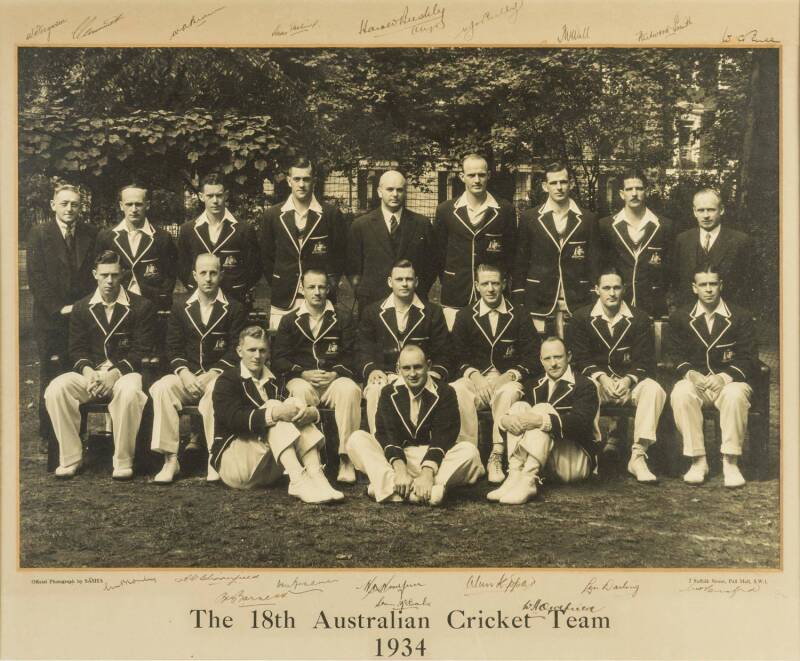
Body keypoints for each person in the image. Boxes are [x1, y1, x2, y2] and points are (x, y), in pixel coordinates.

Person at [44, 251, 155, 480]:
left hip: (124, 374)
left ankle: (123, 460)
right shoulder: (83, 307)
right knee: (56, 389)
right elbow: (77, 349)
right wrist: (89, 372)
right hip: (91, 375)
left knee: (130, 392)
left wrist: (113, 375)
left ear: (122, 274)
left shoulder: (141, 306)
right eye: (104, 275)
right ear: (95, 274)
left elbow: (141, 350)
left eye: (115, 274)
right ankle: (70, 458)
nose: (110, 281)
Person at [209, 325, 344, 503]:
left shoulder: (274, 381)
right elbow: (234, 419)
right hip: (236, 465)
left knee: (291, 405)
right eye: (251, 350)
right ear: (239, 351)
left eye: (262, 350)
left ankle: (316, 475)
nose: (257, 356)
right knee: (275, 407)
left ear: (268, 353)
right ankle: (297, 480)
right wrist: (274, 413)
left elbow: (290, 412)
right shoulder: (227, 380)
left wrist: (310, 412)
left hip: (267, 468)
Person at [148, 253, 247, 484]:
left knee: (216, 391)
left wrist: (213, 373)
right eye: (203, 273)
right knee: (162, 387)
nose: (209, 278)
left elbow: (236, 350)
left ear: (221, 274)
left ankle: (215, 457)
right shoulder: (181, 306)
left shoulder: (234, 308)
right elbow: (173, 348)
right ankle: (170, 459)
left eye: (214, 273)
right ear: (194, 275)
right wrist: (184, 373)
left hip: (218, 377)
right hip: (187, 375)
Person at [348, 344, 485, 505]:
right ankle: (420, 492)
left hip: (434, 461)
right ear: (398, 369)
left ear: (429, 365)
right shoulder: (387, 392)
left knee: (469, 452)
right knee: (357, 439)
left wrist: (427, 473)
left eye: (418, 367)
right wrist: (400, 471)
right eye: (406, 368)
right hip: (400, 460)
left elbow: (444, 437)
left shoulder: (445, 392)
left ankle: (388, 488)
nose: (412, 374)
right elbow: (387, 435)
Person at [567, 267, 666, 483]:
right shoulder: (581, 318)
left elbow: (644, 360)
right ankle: (590, 453)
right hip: (598, 383)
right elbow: (580, 359)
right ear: (596, 290)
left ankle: (638, 456)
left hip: (627, 382)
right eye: (606, 288)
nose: (612, 293)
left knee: (654, 389)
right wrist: (602, 378)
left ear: (624, 289)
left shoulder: (639, 318)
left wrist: (628, 380)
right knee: (585, 388)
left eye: (616, 288)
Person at [450, 263, 542, 483]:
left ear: (503, 284)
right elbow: (456, 356)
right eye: (485, 284)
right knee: (456, 390)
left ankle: (497, 454)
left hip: (508, 380)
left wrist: (509, 376)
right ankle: (468, 453)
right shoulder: (464, 316)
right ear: (476, 286)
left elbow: (532, 357)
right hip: (475, 380)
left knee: (507, 393)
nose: (490, 289)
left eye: (494, 283)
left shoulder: (519, 314)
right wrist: (475, 376)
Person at [667, 264, 756, 488]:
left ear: (721, 286)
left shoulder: (740, 316)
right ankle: (698, 460)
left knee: (735, 395)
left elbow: (748, 357)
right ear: (694, 288)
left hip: (728, 383)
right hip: (697, 383)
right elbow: (675, 354)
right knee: (681, 393)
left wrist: (724, 377)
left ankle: (730, 462)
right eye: (703, 284)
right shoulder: (680, 317)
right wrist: (690, 373)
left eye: (713, 284)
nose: (708, 289)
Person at [26, 183, 98, 455]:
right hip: (51, 319)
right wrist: (59, 309)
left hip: (81, 317)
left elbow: (94, 274)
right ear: (53, 205)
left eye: (75, 204)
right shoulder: (39, 234)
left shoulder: (90, 234)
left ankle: (79, 431)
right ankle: (49, 434)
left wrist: (80, 309)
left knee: (79, 370)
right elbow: (37, 279)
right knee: (51, 372)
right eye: (64, 203)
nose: (70, 209)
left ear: (81, 207)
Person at [272, 268, 362, 483]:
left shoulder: (342, 317)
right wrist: (302, 373)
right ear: (302, 289)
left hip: (333, 381)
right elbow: (279, 360)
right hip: (304, 381)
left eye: (322, 287)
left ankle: (346, 458)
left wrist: (335, 374)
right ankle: (310, 458)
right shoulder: (289, 320)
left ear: (328, 289)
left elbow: (353, 356)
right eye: (311, 287)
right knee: (299, 391)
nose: (317, 292)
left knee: (349, 389)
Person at [488, 336, 600, 505]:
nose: (553, 363)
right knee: (519, 407)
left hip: (573, 460)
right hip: (546, 462)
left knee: (542, 408)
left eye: (558, 357)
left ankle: (528, 480)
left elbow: (581, 424)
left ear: (569, 356)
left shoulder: (585, 385)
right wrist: (506, 421)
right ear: (541, 360)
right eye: (547, 358)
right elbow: (518, 420)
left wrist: (541, 420)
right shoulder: (534, 385)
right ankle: (514, 475)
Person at [356, 259, 450, 433]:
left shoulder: (432, 312)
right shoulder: (373, 311)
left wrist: (433, 373)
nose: (404, 284)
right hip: (385, 375)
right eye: (399, 279)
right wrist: (372, 370)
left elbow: (444, 352)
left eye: (409, 279)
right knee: (376, 389)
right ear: (390, 282)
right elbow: (363, 349)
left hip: (419, 376)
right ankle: (381, 445)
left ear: (416, 282)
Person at [513, 161, 600, 335]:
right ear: (545, 186)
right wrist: (518, 295)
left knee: (575, 349)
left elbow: (594, 263)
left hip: (577, 298)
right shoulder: (529, 218)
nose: (559, 187)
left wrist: (594, 294)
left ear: (571, 184)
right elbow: (520, 261)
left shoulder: (588, 219)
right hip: (539, 298)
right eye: (553, 183)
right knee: (542, 351)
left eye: (563, 182)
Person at [260, 157, 347, 329]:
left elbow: (340, 255)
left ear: (313, 181)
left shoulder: (330, 214)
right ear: (289, 181)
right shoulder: (272, 215)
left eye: (306, 179)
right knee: (282, 348)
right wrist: (280, 280)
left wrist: (329, 282)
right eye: (297, 179)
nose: (301, 184)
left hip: (319, 295)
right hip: (284, 297)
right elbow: (266, 256)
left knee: (318, 347)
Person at [432, 154, 517, 329]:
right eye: (471, 175)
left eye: (481, 174)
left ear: (489, 176)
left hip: (491, 294)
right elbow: (439, 254)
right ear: (462, 177)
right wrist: (451, 278)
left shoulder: (504, 210)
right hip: (456, 292)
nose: (477, 180)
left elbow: (510, 253)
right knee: (455, 344)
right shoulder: (445, 210)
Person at [347, 170, 436, 311]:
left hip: (413, 300)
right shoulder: (361, 225)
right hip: (372, 302)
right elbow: (353, 267)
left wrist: (418, 288)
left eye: (400, 190)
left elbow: (431, 265)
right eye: (390, 189)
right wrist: (363, 292)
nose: (395, 194)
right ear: (379, 192)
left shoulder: (422, 224)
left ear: (405, 192)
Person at [177, 173, 261, 309]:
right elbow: (183, 266)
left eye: (219, 195)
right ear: (201, 196)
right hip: (199, 300)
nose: (215, 201)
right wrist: (195, 286)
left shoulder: (243, 228)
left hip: (235, 299)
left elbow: (254, 267)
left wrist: (238, 287)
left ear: (226, 195)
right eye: (210, 196)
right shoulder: (188, 229)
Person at [598, 170, 674, 318]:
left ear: (646, 191)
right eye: (629, 189)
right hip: (616, 306)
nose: (634, 193)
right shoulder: (605, 226)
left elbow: (670, 270)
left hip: (653, 306)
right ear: (621, 194)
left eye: (639, 189)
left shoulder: (665, 226)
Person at [95, 183, 178, 313]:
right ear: (121, 206)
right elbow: (99, 271)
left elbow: (170, 274)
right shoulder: (107, 236)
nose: (134, 209)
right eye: (129, 204)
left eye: (138, 204)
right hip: (116, 304)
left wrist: (161, 298)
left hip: (152, 305)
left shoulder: (162, 237)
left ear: (147, 205)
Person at [673, 188, 756, 308]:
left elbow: (749, 284)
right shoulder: (682, 240)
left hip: (729, 315)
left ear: (721, 210)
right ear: (694, 212)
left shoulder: (740, 241)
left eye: (711, 210)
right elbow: (676, 282)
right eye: (701, 210)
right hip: (690, 315)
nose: (706, 215)